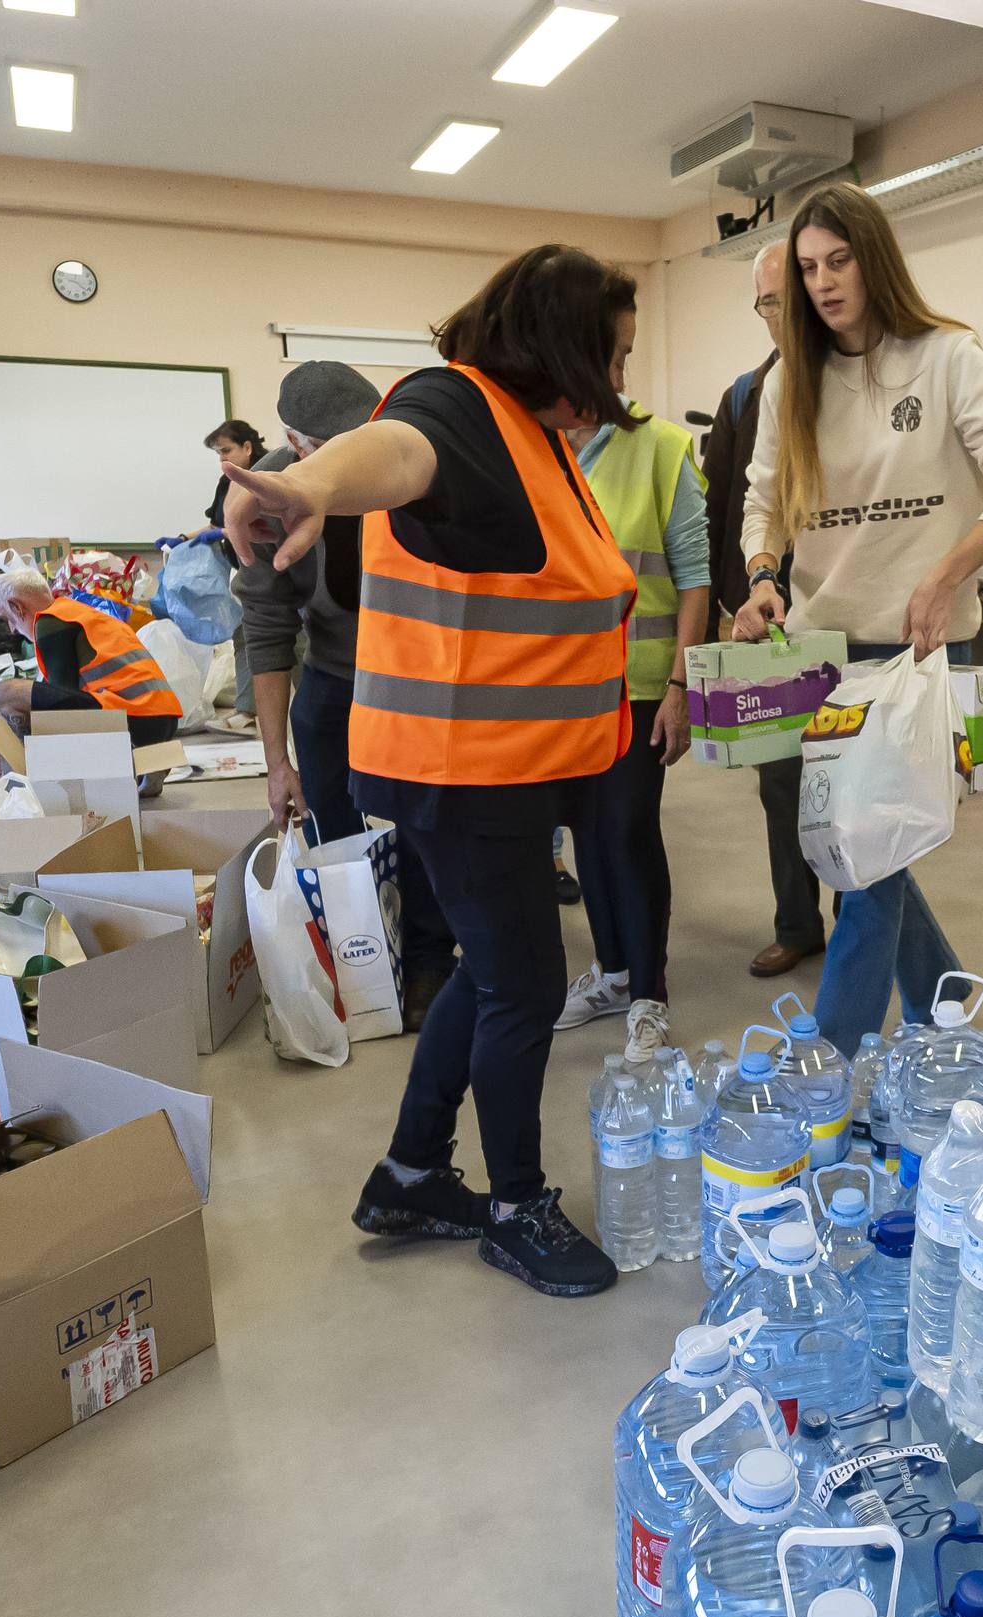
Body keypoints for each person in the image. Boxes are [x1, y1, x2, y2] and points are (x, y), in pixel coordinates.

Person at [221, 243, 639, 1299]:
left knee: (487, 974)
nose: (619, 380)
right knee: (525, 989)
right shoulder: (455, 409)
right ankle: (514, 1208)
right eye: (614, 353)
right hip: (463, 773)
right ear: (563, 343)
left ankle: (410, 1174)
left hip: (496, 767)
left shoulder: (534, 442)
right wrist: (308, 482)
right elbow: (395, 456)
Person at [735, 183, 983, 1053]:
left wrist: (948, 572)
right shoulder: (789, 379)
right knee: (863, 851)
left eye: (839, 261)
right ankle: (947, 1021)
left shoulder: (947, 357)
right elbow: (761, 503)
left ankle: (825, 1073)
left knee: (865, 866)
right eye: (808, 268)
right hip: (819, 652)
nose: (825, 282)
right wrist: (763, 576)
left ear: (873, 259)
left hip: (911, 651)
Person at [236, 360, 455, 1029]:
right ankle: (360, 957)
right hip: (332, 677)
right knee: (333, 826)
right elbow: (268, 631)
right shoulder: (270, 495)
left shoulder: (412, 465)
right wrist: (278, 764)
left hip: (419, 678)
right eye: (326, 449)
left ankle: (426, 961)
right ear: (297, 446)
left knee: (423, 822)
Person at [552, 395, 705, 1052]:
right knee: (586, 827)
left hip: (641, 683)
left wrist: (681, 685)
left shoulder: (662, 445)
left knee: (628, 827)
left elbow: (695, 579)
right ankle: (612, 974)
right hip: (560, 687)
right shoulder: (538, 444)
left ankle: (648, 992)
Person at [704, 242, 823, 980]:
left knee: (859, 779)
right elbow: (723, 507)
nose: (785, 313)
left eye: (795, 294)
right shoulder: (748, 395)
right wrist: (732, 606)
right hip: (772, 620)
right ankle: (797, 922)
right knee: (780, 781)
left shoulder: (862, 384)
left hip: (854, 621)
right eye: (771, 301)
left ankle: (861, 920)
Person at [0, 565, 184, 763]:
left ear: (17, 607)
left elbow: (58, 709)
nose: (11, 629)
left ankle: (32, 769)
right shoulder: (73, 613)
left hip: (136, 722)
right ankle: (142, 766)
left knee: (4, 693)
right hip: (162, 720)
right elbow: (58, 697)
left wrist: (7, 731)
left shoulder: (49, 622)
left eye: (6, 618)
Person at [199, 419, 263, 730]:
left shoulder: (267, 473)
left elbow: (261, 526)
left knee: (295, 644)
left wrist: (224, 532)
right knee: (244, 638)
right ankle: (247, 712)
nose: (222, 459)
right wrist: (185, 538)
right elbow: (216, 525)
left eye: (227, 451)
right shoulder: (227, 481)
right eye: (218, 454)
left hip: (275, 570)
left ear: (247, 447)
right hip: (246, 573)